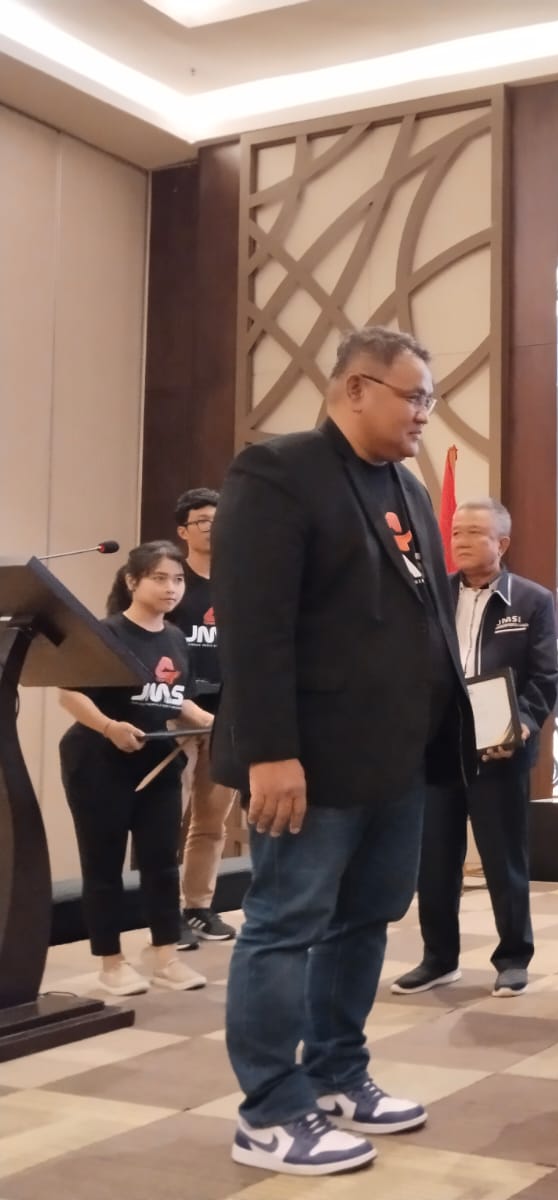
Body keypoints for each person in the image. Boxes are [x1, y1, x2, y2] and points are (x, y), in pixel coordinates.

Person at [212, 326, 474, 1175]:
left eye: (430, 399)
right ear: (355, 388)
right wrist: (269, 751)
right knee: (285, 923)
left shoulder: (406, 488)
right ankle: (268, 1111)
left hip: (396, 759)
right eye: (414, 397)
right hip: (309, 761)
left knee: (366, 918)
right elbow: (254, 626)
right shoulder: (279, 472)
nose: (425, 413)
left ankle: (335, 1073)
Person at [392, 497, 558, 1000]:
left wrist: (523, 723)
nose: (460, 542)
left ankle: (513, 959)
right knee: (435, 860)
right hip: (439, 745)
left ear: (501, 543)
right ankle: (439, 959)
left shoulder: (530, 600)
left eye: (474, 534)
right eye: (456, 533)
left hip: (500, 744)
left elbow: (545, 678)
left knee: (504, 858)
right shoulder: (432, 595)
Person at [56, 541, 212, 996]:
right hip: (97, 763)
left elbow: (173, 698)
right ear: (132, 581)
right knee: (103, 865)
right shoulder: (105, 633)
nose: (171, 588)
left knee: (162, 862)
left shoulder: (176, 638)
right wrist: (109, 727)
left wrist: (207, 720)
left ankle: (166, 956)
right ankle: (111, 963)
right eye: (159, 578)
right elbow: (70, 693)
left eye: (178, 580)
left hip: (157, 763)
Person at [169, 486, 239, 949]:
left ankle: (197, 907)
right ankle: (163, 914)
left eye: (219, 519)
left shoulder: (239, 580)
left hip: (226, 714)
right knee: (164, 820)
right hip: (175, 713)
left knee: (211, 821)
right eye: (202, 521)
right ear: (183, 531)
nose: (212, 528)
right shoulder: (172, 582)